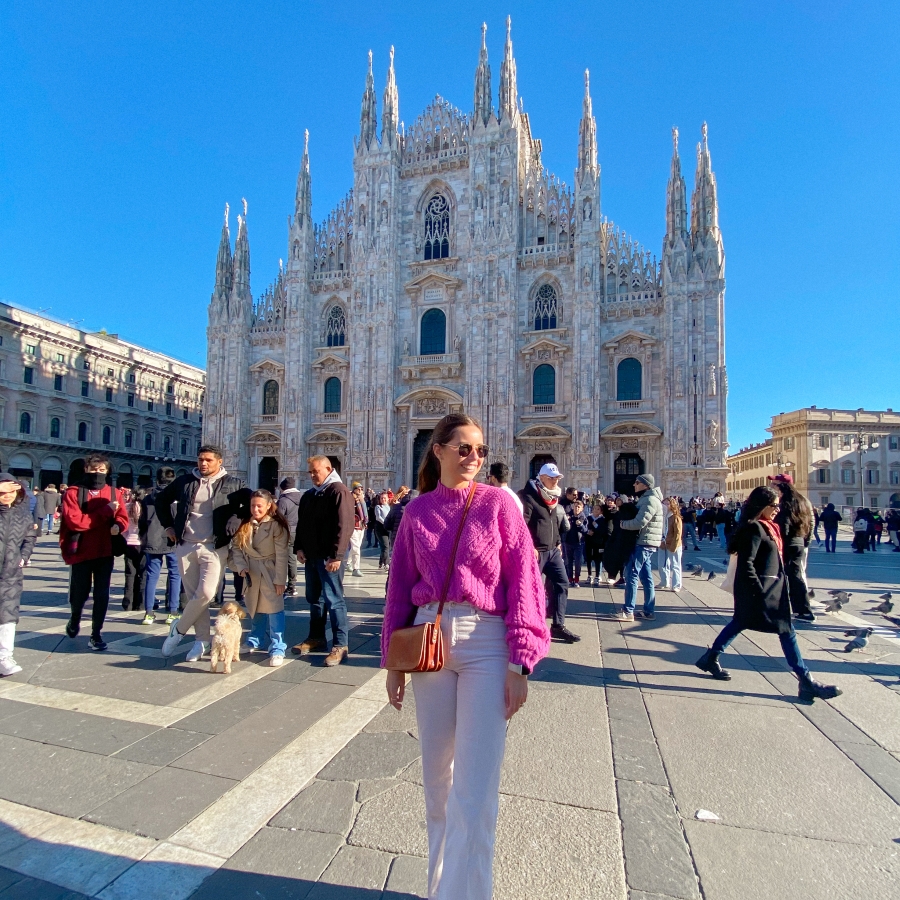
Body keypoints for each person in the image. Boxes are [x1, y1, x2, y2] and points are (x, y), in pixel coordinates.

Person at [383, 413, 549, 900]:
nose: (474, 457)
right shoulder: (417, 512)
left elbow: (524, 583)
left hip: (486, 643)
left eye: (479, 449)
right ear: (437, 451)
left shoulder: (499, 504)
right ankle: (439, 887)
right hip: (429, 637)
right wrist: (393, 662)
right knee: (437, 783)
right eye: (464, 448)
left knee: (474, 792)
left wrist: (520, 663)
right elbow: (398, 592)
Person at [695, 485, 842, 702]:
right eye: (773, 505)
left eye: (778, 505)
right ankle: (806, 681)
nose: (777, 509)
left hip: (771, 590)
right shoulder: (755, 529)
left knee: (742, 623)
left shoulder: (769, 527)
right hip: (762, 592)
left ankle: (711, 657)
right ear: (761, 506)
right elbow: (747, 564)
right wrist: (758, 592)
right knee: (785, 632)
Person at [158, 445, 251, 662]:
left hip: (214, 546)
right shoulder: (185, 481)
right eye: (201, 459)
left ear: (220, 461)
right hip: (185, 545)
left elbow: (254, 502)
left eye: (208, 460)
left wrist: (239, 516)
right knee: (195, 597)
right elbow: (162, 500)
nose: (203, 463)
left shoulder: (234, 483)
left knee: (207, 594)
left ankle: (178, 629)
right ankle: (201, 641)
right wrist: (168, 526)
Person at [59, 453, 129, 651]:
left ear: (107, 472)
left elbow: (122, 517)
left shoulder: (114, 493)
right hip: (81, 551)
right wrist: (106, 512)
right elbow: (76, 522)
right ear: (86, 470)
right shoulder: (73, 492)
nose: (97, 474)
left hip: (105, 550)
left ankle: (96, 633)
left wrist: (118, 525)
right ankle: (75, 618)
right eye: (93, 470)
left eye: (102, 470)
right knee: (79, 592)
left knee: (102, 594)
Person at [291, 456, 355, 665]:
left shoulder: (339, 491)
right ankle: (316, 637)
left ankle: (340, 644)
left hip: (329, 558)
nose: (311, 476)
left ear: (328, 469)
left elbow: (344, 525)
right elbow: (303, 523)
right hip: (312, 556)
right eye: (309, 472)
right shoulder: (310, 494)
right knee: (315, 599)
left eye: (315, 472)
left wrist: (337, 555)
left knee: (334, 600)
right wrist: (299, 547)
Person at [520, 462, 580, 643]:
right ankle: (527, 627)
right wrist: (529, 546)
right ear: (543, 478)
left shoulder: (553, 497)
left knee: (562, 582)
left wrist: (558, 543)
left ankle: (558, 625)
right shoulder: (528, 496)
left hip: (553, 550)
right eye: (552, 478)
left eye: (557, 478)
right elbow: (521, 525)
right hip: (536, 551)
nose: (556, 481)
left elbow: (554, 522)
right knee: (531, 590)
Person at [230, 489, 290, 666]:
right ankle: (254, 639)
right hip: (251, 572)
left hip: (269, 569)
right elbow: (237, 547)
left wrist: (280, 580)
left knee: (274, 608)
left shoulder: (276, 526)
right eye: (252, 506)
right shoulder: (245, 525)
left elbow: (282, 555)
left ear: (269, 506)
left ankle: (278, 646)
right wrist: (241, 567)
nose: (255, 510)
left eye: (259, 506)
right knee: (254, 606)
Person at [0, 473, 37, 675]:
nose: (8, 495)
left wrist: (24, 555)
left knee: (8, 614)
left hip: (11, 570)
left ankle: (5, 657)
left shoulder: (23, 513)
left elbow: (30, 536)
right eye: (3, 491)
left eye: (12, 491)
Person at [618, 474, 664, 621]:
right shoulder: (649, 499)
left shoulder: (650, 500)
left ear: (645, 485)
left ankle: (628, 611)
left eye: (637, 482)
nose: (634, 485)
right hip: (647, 542)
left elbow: (639, 522)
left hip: (644, 542)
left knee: (631, 574)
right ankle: (648, 611)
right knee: (646, 576)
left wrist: (622, 524)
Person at [770, 475, 815, 622]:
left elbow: (785, 525)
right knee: (795, 576)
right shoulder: (802, 501)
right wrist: (806, 541)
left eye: (776, 487)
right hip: (799, 542)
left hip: (788, 542)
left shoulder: (786, 504)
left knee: (787, 576)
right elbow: (810, 522)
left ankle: (802, 610)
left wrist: (779, 540)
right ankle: (801, 609)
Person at [139, 467, 180, 625]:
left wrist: (144, 536)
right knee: (175, 575)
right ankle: (173, 612)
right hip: (172, 539)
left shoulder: (147, 498)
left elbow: (142, 521)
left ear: (157, 480)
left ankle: (149, 613)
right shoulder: (176, 499)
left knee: (151, 576)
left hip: (152, 539)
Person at [121, 487, 147, 612]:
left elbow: (123, 528)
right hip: (142, 544)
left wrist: (127, 538)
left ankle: (128, 603)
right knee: (143, 574)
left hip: (129, 543)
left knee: (130, 574)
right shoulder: (145, 508)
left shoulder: (126, 507)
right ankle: (140, 603)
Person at [276, 477, 302, 596]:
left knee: (282, 558)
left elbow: (278, 518)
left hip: (286, 531)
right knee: (292, 558)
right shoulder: (302, 497)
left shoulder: (283, 500)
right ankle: (292, 585)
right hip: (297, 530)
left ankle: (284, 584)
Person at [659, 496, 683, 592]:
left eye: (667, 504)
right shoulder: (661, 516)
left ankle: (677, 585)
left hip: (673, 544)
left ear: (672, 505)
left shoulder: (675, 517)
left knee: (675, 565)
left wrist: (674, 546)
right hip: (662, 543)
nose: (665, 505)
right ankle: (664, 582)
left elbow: (678, 533)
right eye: (663, 503)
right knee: (662, 564)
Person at [562, 498, 587, 587]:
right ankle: (569, 577)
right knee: (568, 561)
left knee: (578, 561)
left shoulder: (583, 517)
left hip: (578, 543)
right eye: (575, 506)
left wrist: (580, 524)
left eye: (578, 507)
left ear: (582, 508)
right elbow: (563, 527)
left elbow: (585, 530)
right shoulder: (569, 516)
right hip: (568, 541)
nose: (576, 508)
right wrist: (567, 520)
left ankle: (576, 578)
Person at [346, 483, 367, 577]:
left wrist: (365, 521)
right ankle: (356, 568)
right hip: (353, 526)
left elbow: (364, 512)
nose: (360, 490)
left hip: (361, 526)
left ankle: (347, 563)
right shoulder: (350, 499)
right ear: (354, 489)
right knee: (356, 548)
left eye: (361, 488)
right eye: (358, 489)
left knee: (357, 546)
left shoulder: (362, 499)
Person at [583, 502, 607, 587]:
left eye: (598, 509)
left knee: (598, 559)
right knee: (589, 559)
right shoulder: (589, 518)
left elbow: (603, 531)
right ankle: (589, 575)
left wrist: (596, 525)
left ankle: (598, 576)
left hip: (598, 542)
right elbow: (584, 527)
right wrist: (587, 532)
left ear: (601, 511)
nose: (596, 510)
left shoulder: (602, 520)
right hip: (589, 541)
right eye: (594, 509)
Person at [373, 491, 392, 570]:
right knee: (385, 546)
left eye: (385, 498)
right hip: (380, 528)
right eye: (382, 498)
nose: (383, 499)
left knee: (386, 546)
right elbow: (378, 517)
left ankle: (381, 562)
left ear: (387, 499)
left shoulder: (390, 507)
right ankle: (386, 563)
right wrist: (386, 523)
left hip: (388, 529)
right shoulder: (378, 507)